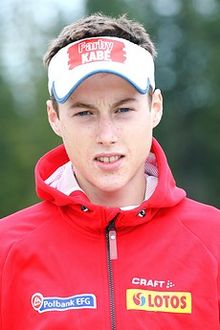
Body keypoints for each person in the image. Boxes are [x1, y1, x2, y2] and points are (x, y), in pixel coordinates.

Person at [0, 13, 219, 330]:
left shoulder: (214, 240)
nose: (106, 134)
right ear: (54, 117)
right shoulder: (7, 249)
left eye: (124, 109)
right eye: (85, 112)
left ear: (155, 107)